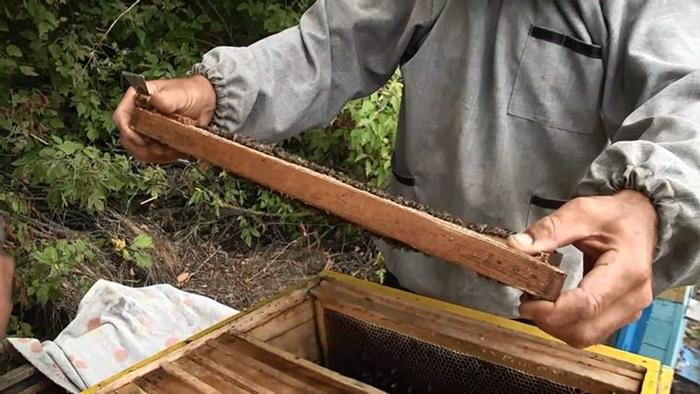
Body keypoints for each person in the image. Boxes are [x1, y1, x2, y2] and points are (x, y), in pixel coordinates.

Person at [113, 0, 700, 348]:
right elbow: (332, 46)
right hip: (408, 295)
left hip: (566, 321)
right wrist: (213, 93)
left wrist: (650, 202)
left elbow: (689, 100)